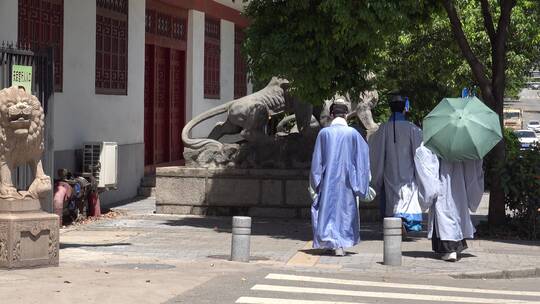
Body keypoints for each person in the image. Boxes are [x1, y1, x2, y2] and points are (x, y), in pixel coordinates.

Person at [309, 98, 371, 256]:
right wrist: (361, 184)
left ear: (331, 114)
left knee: (327, 210)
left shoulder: (324, 133)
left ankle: (330, 241)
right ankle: (340, 244)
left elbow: (317, 161)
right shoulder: (353, 134)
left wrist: (315, 183)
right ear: (346, 115)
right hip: (347, 182)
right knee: (345, 211)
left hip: (327, 181)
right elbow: (362, 161)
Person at [414, 144, 484, 262]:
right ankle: (453, 247)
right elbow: (473, 168)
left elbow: (427, 165)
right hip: (459, 187)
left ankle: (450, 249)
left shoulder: (435, 144)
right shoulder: (465, 145)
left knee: (444, 216)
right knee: (454, 215)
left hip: (443, 186)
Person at [369, 95, 423, 232]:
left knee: (391, 200)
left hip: (389, 172)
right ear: (403, 109)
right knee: (408, 198)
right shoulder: (412, 129)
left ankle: (394, 224)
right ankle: (406, 223)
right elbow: (420, 153)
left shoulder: (383, 129)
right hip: (409, 172)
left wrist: (376, 175)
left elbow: (375, 151)